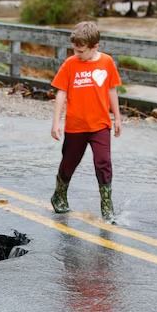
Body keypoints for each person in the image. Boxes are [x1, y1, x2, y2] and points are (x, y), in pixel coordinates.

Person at [50, 21, 123, 222]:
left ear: (95, 47)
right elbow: (61, 93)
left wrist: (117, 118)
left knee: (103, 162)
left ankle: (107, 206)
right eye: (75, 49)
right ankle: (59, 194)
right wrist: (56, 122)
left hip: (100, 125)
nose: (77, 54)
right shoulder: (70, 64)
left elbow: (111, 90)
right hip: (76, 126)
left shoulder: (107, 62)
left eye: (81, 51)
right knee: (69, 163)